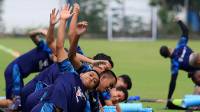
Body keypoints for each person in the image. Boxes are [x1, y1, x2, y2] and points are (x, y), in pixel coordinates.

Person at [31, 4, 100, 112]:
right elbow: (59, 47)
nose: (91, 78)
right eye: (91, 75)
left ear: (91, 89)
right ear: (82, 73)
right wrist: (62, 21)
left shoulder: (85, 102)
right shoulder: (69, 71)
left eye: (94, 81)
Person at [159, 17, 200, 107]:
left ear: (166, 57)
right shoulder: (180, 45)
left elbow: (173, 83)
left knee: (195, 99)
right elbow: (185, 31)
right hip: (197, 72)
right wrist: (179, 21)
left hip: (196, 75)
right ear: (169, 48)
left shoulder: (174, 64)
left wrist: (169, 98)